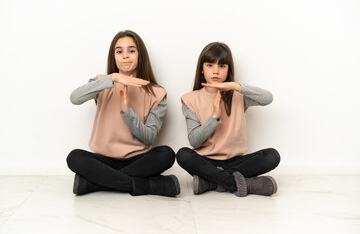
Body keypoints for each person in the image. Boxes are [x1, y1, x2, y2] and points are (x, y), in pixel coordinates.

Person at [66, 30, 180, 197]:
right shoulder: (102, 82)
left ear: (140, 55)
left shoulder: (158, 93)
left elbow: (149, 137)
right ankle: (150, 185)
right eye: (119, 51)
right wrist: (112, 78)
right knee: (74, 157)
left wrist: (128, 112)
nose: (125, 56)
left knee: (166, 154)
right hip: (104, 160)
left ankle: (94, 183)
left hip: (138, 160)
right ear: (114, 57)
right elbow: (75, 98)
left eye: (131, 51)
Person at [176, 42, 280, 197]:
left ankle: (212, 182)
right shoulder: (190, 99)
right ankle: (245, 184)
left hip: (237, 162)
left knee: (272, 156)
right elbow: (194, 141)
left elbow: (268, 99)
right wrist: (214, 117)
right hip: (206, 162)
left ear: (228, 70)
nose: (216, 71)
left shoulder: (239, 95)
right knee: (183, 154)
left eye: (222, 66)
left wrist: (237, 86)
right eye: (210, 65)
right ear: (202, 69)